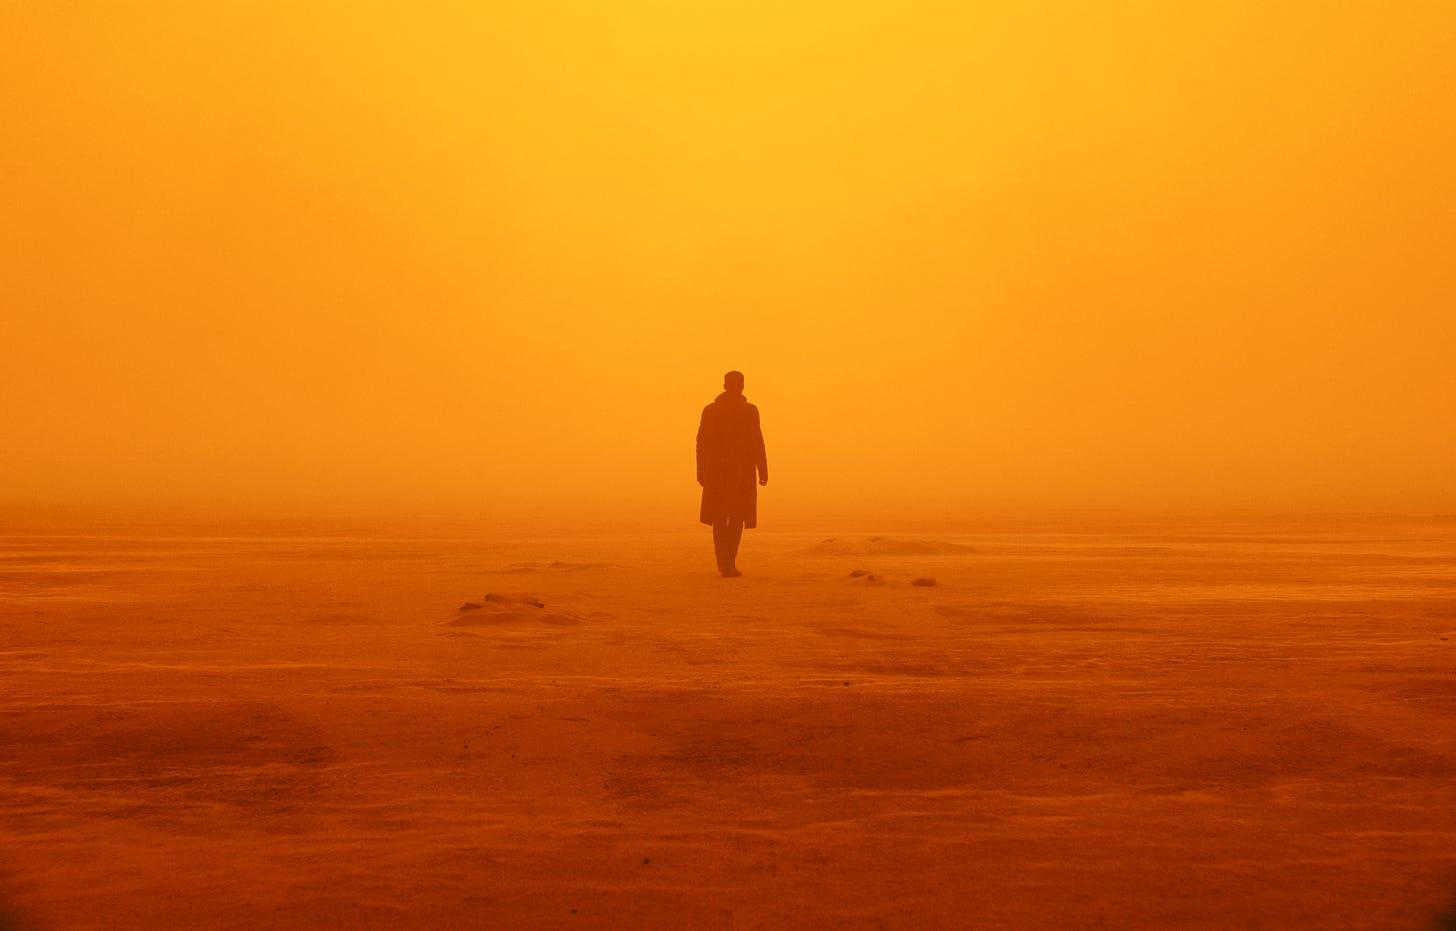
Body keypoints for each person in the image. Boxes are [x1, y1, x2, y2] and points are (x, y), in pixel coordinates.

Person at [696, 371, 768, 577]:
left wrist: (701, 472)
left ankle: (724, 562)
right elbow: (757, 442)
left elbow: (701, 444)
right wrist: (762, 470)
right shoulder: (748, 411)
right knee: (734, 518)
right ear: (741, 386)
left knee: (723, 518)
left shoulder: (711, 410)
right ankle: (728, 562)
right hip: (738, 474)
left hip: (719, 473)